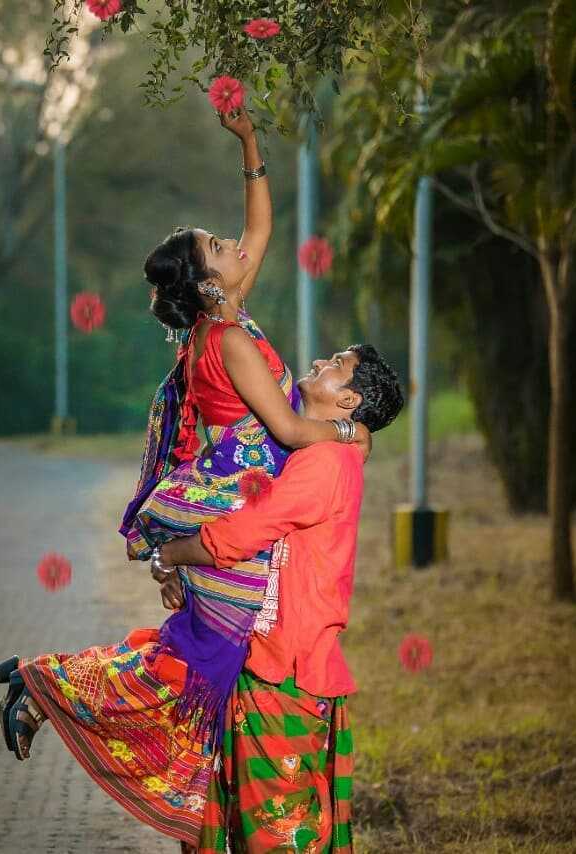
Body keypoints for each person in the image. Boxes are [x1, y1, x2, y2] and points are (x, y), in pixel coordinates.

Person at [0, 109, 371, 848]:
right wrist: (352, 434)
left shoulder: (228, 317)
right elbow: (292, 431)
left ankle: (50, 691)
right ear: (206, 286)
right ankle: (47, 688)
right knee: (193, 668)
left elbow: (260, 231)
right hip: (238, 516)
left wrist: (251, 146)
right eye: (218, 248)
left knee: (200, 669)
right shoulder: (227, 340)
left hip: (242, 514)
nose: (236, 246)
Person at [154, 345, 404, 853]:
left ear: (349, 397)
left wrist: (172, 553)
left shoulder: (326, 463)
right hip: (267, 660)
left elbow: (244, 533)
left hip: (282, 670)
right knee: (249, 820)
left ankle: (42, 687)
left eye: (336, 364)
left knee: (279, 830)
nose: (320, 362)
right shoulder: (315, 451)